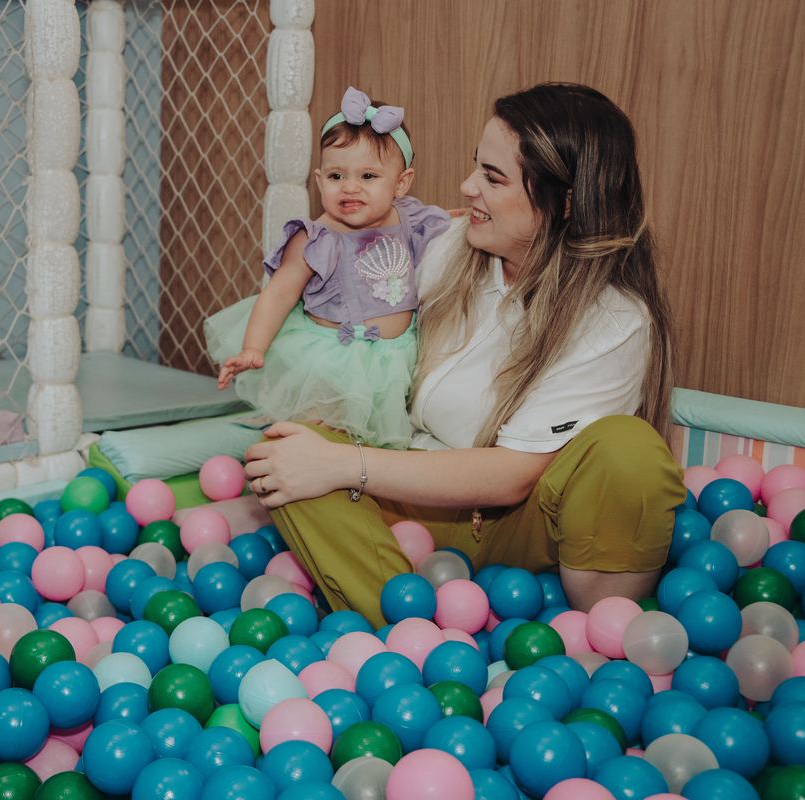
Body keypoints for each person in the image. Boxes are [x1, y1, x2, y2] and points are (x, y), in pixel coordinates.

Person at [241, 83, 687, 628]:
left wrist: (343, 465)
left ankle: (597, 631)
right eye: (476, 167)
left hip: (522, 528)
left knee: (629, 450)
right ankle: (415, 632)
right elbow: (339, 287)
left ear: (564, 203)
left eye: (493, 178)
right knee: (286, 451)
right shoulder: (447, 246)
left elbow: (512, 476)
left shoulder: (611, 318)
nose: (466, 186)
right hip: (408, 504)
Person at [205, 87, 452, 450]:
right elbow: (278, 295)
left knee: (377, 444)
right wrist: (253, 348)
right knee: (319, 435)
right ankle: (291, 468)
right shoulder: (315, 239)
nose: (350, 187)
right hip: (332, 361)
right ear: (320, 180)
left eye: (368, 177)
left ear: (401, 183)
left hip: (399, 357)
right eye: (337, 176)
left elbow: (450, 227)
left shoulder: (411, 219)